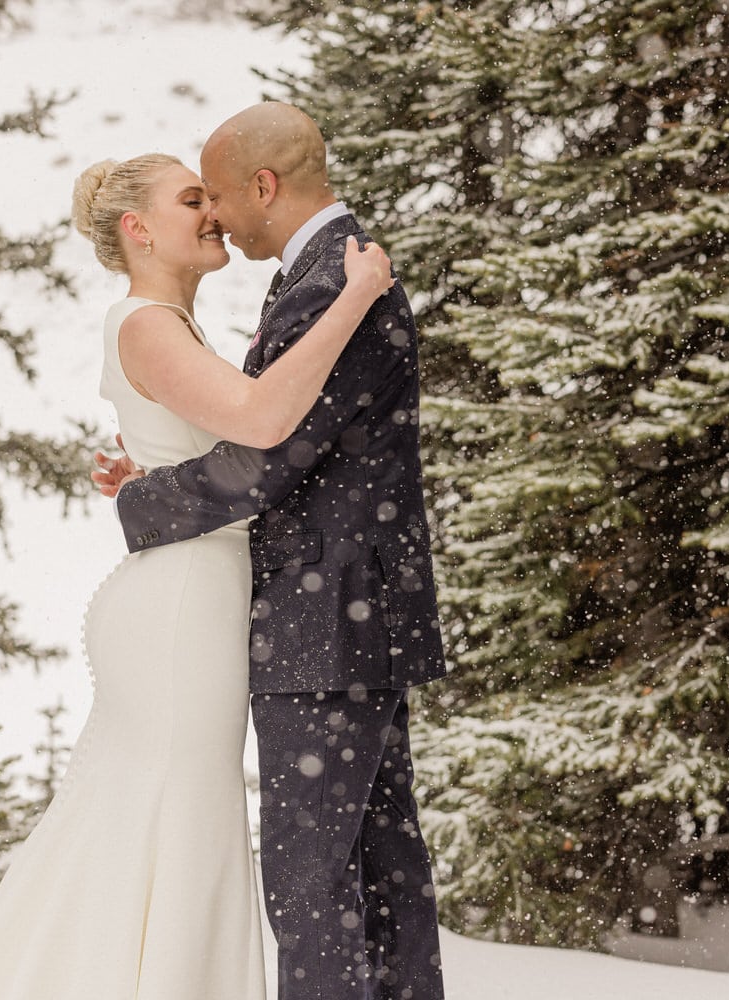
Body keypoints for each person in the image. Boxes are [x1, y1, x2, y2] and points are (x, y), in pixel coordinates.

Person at [0, 151, 395, 1000]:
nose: (214, 211)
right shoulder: (145, 321)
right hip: (182, 605)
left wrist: (150, 474)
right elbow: (261, 421)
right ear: (137, 230)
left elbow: (217, 442)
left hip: (189, 591)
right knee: (181, 816)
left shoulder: (165, 325)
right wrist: (355, 297)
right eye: (192, 200)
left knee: (151, 816)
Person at [95, 103, 448, 1000]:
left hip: (326, 619)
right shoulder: (332, 272)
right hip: (342, 614)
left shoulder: (337, 279)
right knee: (370, 864)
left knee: (315, 878)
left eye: (216, 195)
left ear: (262, 186)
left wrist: (145, 496)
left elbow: (268, 457)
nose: (213, 215)